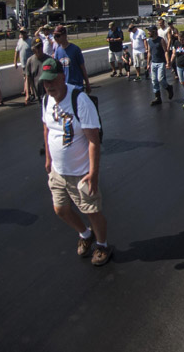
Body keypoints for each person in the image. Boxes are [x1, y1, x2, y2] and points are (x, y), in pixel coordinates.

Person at [39, 58, 112, 267]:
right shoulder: (46, 100)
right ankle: (85, 234)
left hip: (81, 172)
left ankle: (102, 245)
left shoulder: (79, 100)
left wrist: (93, 173)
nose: (49, 86)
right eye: (46, 82)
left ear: (62, 77)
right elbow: (47, 129)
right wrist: (48, 159)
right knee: (60, 209)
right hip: (58, 171)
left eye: (52, 81)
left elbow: (93, 140)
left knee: (91, 211)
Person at [52, 25, 91, 93]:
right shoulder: (57, 51)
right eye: (54, 36)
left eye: (58, 36)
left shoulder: (75, 49)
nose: (56, 38)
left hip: (76, 86)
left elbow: (82, 67)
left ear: (64, 35)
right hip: (65, 88)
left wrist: (87, 83)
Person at [145, 26, 172, 106]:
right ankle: (158, 98)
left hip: (161, 63)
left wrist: (167, 62)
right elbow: (149, 52)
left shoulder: (161, 40)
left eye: (149, 31)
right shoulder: (149, 41)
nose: (148, 32)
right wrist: (148, 64)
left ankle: (169, 88)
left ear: (154, 31)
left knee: (161, 79)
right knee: (154, 80)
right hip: (153, 63)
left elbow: (165, 51)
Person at [13, 28, 34, 101]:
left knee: (29, 78)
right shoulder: (19, 41)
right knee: (26, 78)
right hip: (23, 64)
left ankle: (32, 93)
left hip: (30, 64)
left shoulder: (30, 41)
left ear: (26, 33)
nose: (22, 34)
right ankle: (28, 92)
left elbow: (34, 51)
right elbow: (17, 51)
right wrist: (15, 61)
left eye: (23, 32)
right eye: (21, 33)